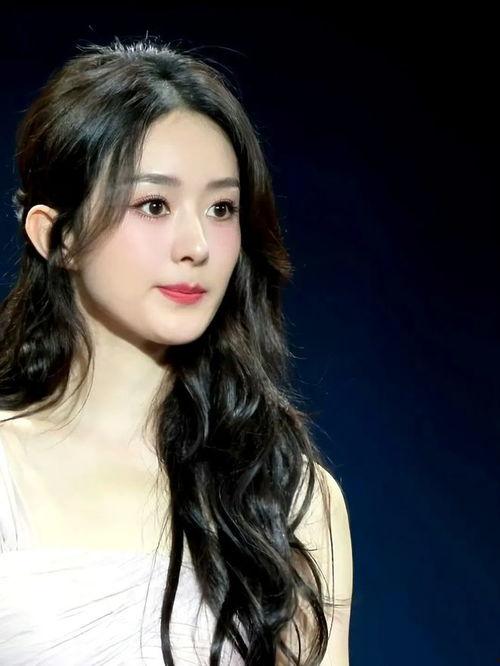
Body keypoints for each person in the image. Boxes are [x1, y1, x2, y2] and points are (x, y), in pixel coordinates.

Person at [0, 36, 353, 665]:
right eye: (154, 204)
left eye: (221, 208)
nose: (197, 244)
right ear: (57, 236)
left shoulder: (289, 497)